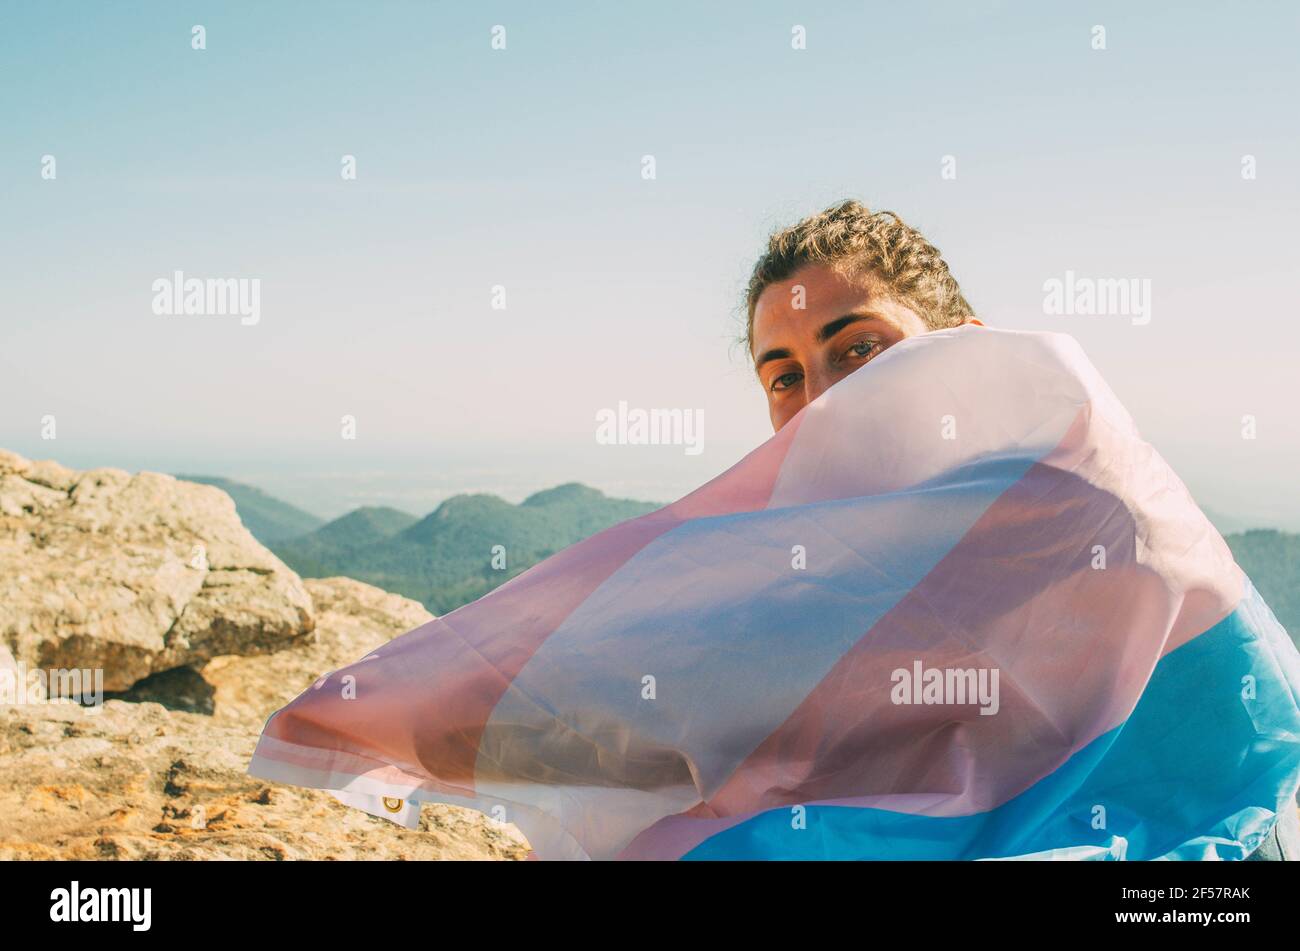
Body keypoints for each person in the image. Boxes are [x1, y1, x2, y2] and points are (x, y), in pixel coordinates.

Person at [742, 198, 1300, 860]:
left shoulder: (1102, 527)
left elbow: (1223, 784)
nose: (821, 402)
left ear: (974, 352)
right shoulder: (828, 581)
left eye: (860, 347)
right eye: (784, 377)